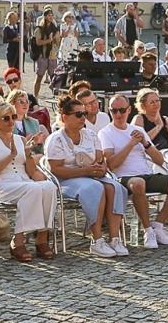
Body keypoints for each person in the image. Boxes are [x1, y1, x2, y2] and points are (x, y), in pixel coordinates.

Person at [99, 93, 168, 247]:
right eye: (114, 111)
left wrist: (145, 143)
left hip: (146, 174)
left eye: (121, 110)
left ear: (129, 110)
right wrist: (130, 144)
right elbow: (111, 164)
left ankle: (158, 225)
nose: (118, 114)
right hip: (122, 178)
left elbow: (159, 160)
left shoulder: (137, 130)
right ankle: (147, 230)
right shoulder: (105, 133)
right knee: (138, 184)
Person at [45, 95, 127, 257]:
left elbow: (100, 159)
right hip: (66, 179)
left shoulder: (90, 135)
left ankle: (115, 238)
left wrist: (101, 169)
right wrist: (85, 171)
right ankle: (96, 240)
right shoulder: (56, 139)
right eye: (78, 114)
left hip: (91, 175)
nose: (83, 118)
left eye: (84, 113)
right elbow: (55, 169)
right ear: (64, 117)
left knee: (115, 187)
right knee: (95, 188)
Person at [0, 100, 57, 261]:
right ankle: (18, 240)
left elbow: (30, 171)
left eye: (13, 117)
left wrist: (28, 155)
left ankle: (42, 237)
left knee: (49, 187)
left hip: (23, 179)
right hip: (2, 183)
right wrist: (10, 156)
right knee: (33, 189)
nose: (11, 121)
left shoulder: (20, 140)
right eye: (6, 118)